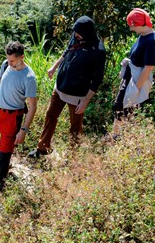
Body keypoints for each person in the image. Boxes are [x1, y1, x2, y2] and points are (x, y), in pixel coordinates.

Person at [28, 16, 106, 158]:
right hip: (59, 88)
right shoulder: (76, 36)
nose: (76, 35)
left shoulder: (98, 50)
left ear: (88, 32)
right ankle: (42, 148)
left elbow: (97, 79)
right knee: (50, 117)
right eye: (75, 32)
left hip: (77, 95)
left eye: (79, 33)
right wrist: (54, 67)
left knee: (75, 127)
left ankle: (73, 157)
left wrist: (85, 101)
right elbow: (67, 51)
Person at [0, 41, 38, 202]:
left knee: (4, 154)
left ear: (22, 57)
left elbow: (33, 106)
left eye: (13, 60)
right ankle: (3, 168)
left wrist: (24, 130)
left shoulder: (29, 78)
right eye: (8, 59)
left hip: (12, 117)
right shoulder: (6, 64)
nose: (9, 63)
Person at [112, 8, 155, 130]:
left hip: (137, 81)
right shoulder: (143, 36)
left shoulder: (151, 41)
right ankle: (115, 137)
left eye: (131, 26)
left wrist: (136, 89)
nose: (131, 29)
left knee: (128, 111)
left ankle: (123, 139)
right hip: (130, 79)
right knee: (118, 108)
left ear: (138, 24)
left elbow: (148, 67)